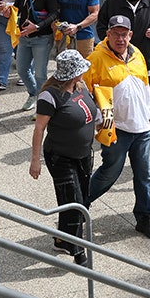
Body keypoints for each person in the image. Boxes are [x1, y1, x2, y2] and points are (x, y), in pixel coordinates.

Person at [85, 15, 150, 240]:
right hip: (116, 129)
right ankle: (79, 206)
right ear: (107, 34)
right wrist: (100, 120)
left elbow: (145, 87)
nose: (120, 38)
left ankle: (144, 217)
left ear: (130, 35)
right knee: (110, 172)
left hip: (142, 129)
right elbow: (88, 95)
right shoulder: (96, 59)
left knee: (144, 174)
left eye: (124, 34)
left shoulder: (137, 54)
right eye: (115, 33)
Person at [28, 49, 100, 266]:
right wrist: (35, 160)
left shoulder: (81, 86)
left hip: (84, 154)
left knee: (82, 199)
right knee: (73, 202)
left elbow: (91, 112)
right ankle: (76, 249)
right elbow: (39, 129)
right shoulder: (49, 96)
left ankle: (62, 237)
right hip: (60, 157)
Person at [15, 0, 60, 110]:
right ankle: (33, 93)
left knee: (40, 73)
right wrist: (8, 10)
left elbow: (54, 13)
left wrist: (37, 26)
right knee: (22, 69)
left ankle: (43, 103)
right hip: (24, 37)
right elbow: (16, 8)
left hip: (42, 37)